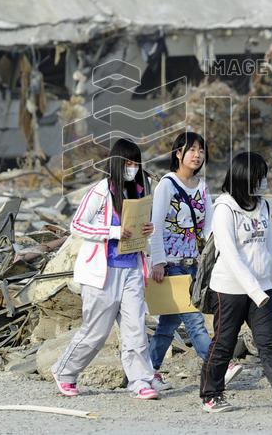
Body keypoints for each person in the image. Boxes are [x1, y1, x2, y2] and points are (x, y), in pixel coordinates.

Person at [199, 152, 272, 413]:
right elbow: (230, 255)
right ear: (244, 178)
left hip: (262, 289)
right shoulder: (224, 208)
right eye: (259, 176)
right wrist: (254, 291)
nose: (264, 181)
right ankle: (211, 394)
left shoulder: (263, 205)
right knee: (224, 342)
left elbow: (269, 250)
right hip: (229, 289)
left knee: (269, 342)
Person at [51, 139, 161, 400]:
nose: (132, 167)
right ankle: (65, 371)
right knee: (96, 331)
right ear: (117, 163)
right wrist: (111, 231)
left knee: (135, 329)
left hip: (132, 268)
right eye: (128, 163)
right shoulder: (101, 191)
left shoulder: (139, 191)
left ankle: (140, 381)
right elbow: (77, 224)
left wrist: (148, 230)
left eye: (136, 163)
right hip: (102, 272)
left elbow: (143, 226)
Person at [148, 131, 240, 389]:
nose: (197, 155)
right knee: (194, 319)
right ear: (178, 153)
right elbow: (155, 224)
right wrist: (157, 261)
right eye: (191, 149)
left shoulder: (202, 186)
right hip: (171, 263)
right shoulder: (166, 184)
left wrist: (216, 257)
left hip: (194, 263)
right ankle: (219, 365)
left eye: (201, 150)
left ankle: (148, 371)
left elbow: (210, 226)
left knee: (169, 323)